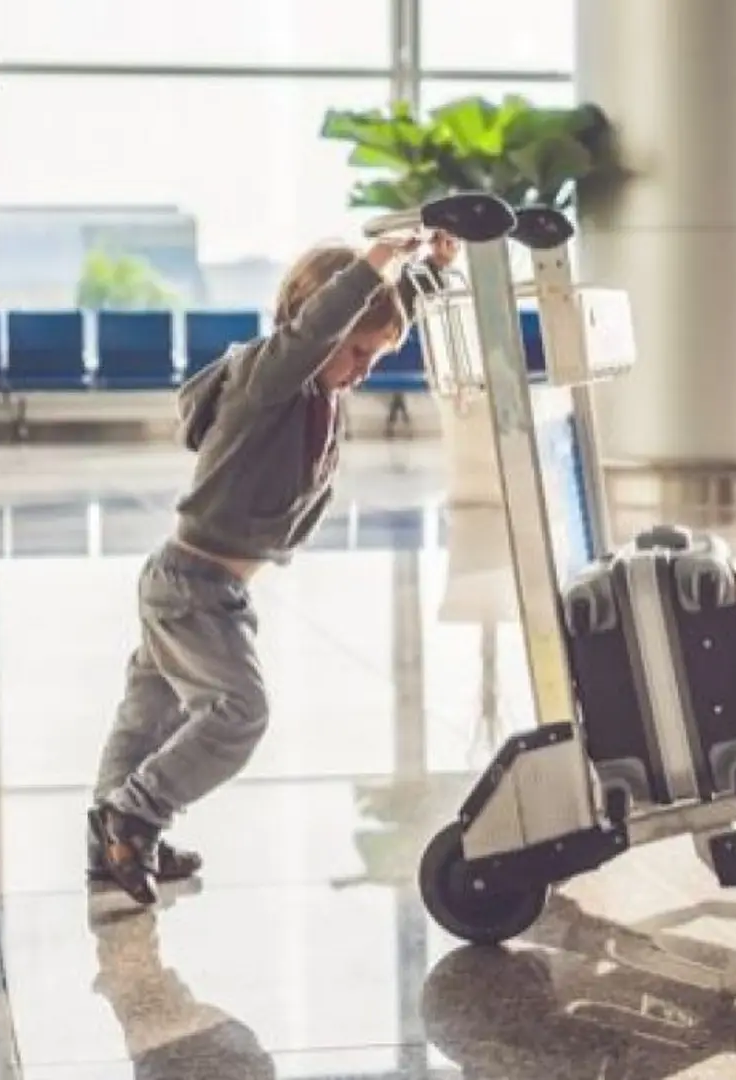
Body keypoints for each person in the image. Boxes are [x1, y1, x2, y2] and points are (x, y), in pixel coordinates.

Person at [88, 228, 460, 905]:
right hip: (192, 588)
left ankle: (110, 844)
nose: (365, 370)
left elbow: (373, 313)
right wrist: (374, 261)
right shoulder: (271, 378)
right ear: (321, 328)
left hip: (203, 586)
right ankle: (136, 817)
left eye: (375, 357)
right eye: (357, 352)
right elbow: (325, 326)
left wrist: (427, 269)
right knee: (239, 712)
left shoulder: (319, 388)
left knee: (148, 717)